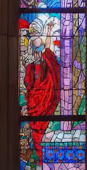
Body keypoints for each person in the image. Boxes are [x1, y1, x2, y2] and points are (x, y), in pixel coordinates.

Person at [22, 16, 60, 158]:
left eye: (39, 50)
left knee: (44, 130)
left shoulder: (45, 63)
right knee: (36, 132)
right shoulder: (30, 67)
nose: (38, 53)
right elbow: (28, 85)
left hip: (46, 100)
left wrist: (49, 31)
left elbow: (48, 50)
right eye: (36, 50)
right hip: (35, 103)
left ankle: (44, 157)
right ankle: (40, 157)